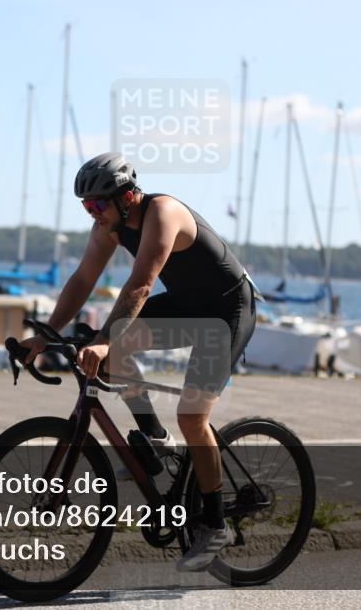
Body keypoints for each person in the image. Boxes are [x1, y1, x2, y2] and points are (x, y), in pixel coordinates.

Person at [19, 152, 257, 572]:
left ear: (126, 196)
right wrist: (43, 336)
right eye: (86, 208)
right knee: (108, 352)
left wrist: (108, 340)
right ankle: (153, 437)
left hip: (227, 312)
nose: (92, 215)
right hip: (187, 306)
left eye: (97, 206)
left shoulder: (163, 212)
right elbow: (81, 281)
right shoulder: (109, 227)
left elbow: (142, 283)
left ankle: (216, 524)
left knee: (192, 417)